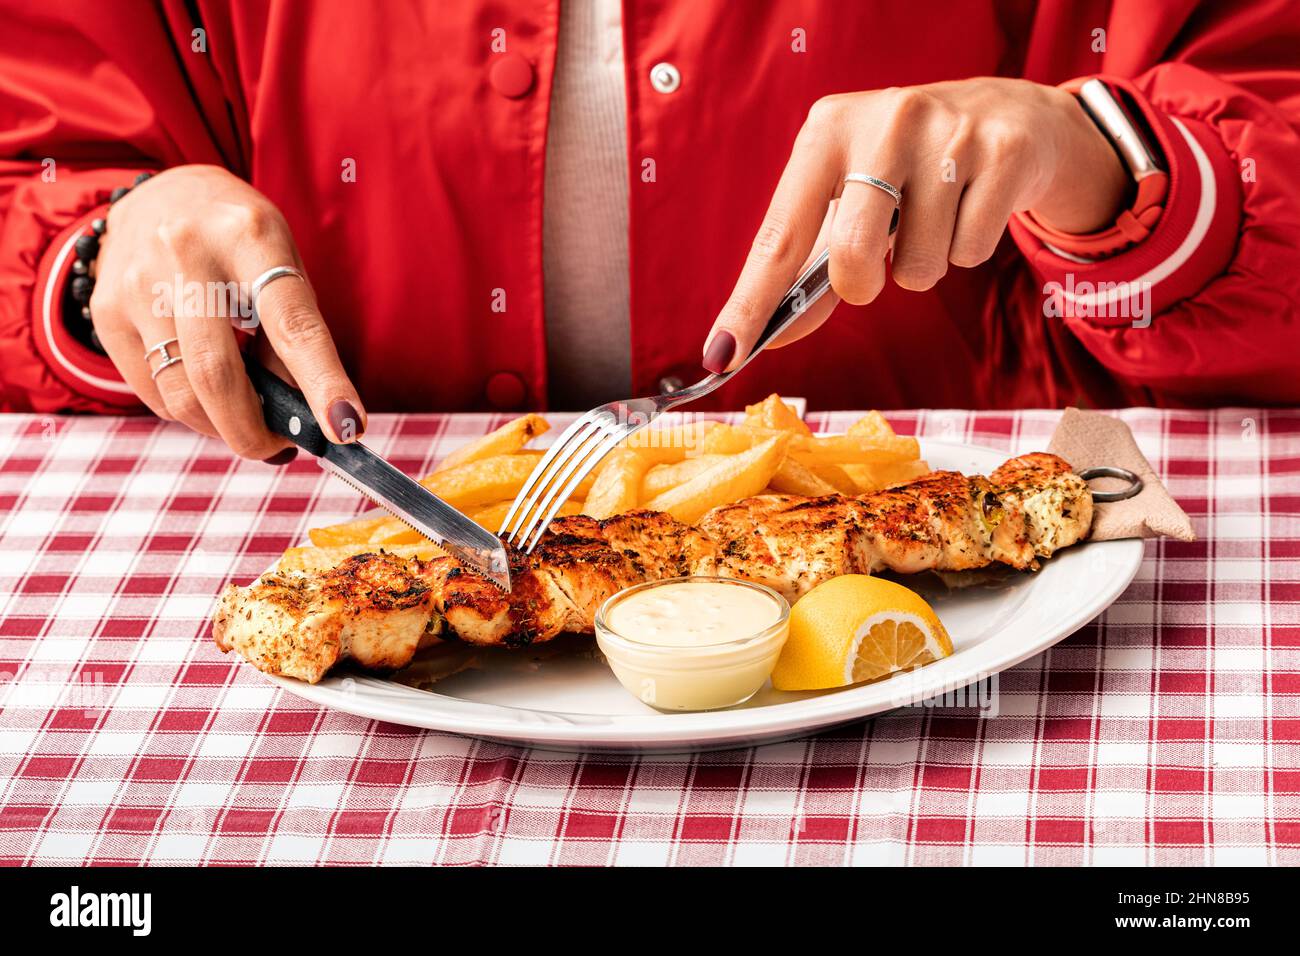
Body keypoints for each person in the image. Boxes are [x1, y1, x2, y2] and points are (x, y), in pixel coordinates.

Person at [2, 1, 1297, 466]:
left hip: (933, 680)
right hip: (337, 710)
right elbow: (34, 169)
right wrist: (111, 248)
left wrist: (1106, 157)